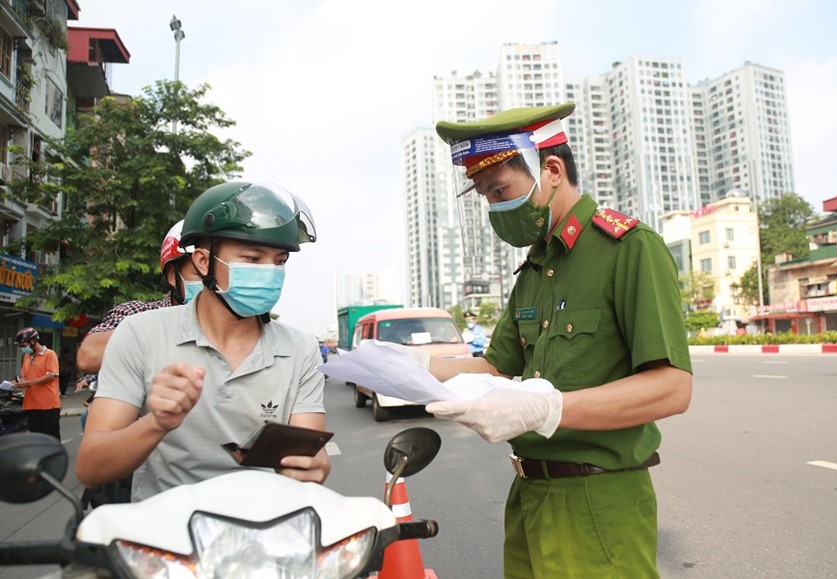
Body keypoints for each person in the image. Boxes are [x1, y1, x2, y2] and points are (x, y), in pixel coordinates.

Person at [402, 104, 692, 578]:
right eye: (485, 197)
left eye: (500, 191)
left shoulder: (629, 250)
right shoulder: (533, 271)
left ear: (551, 170)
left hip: (598, 500)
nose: (495, 208)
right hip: (528, 494)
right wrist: (410, 365)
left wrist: (548, 409)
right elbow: (495, 368)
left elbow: (671, 387)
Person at [76, 181, 330, 501]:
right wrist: (157, 423)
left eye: (280, 262)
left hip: (268, 528)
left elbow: (306, 454)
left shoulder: (301, 349)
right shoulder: (139, 333)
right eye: (252, 259)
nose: (270, 272)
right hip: (165, 535)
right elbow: (90, 468)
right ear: (202, 261)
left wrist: (312, 466)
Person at [76, 220, 202, 374]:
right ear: (173, 276)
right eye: (200, 274)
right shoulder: (136, 313)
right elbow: (89, 356)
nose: (210, 284)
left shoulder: (234, 322)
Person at [13, 327, 61, 439]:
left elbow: (51, 376)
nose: (22, 348)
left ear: (33, 341)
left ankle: (55, 456)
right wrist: (15, 383)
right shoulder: (26, 357)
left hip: (49, 404)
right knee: (36, 437)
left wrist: (29, 382)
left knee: (51, 436)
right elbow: (24, 378)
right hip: (31, 403)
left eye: (23, 345)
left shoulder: (50, 354)